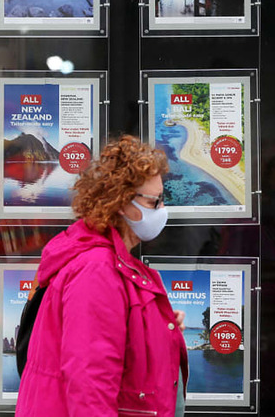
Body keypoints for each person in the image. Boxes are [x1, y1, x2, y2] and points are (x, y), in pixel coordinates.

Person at [15, 135, 188, 417]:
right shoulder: (96, 270)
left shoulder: (105, 260)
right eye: (154, 202)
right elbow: (90, 382)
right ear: (121, 203)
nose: (162, 210)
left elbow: (112, 337)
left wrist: (158, 323)